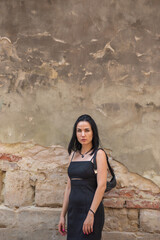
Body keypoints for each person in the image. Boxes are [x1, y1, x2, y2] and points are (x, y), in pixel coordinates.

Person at [58, 114, 107, 240]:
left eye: (87, 130)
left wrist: (91, 214)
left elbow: (102, 186)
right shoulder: (73, 155)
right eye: (79, 131)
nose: (83, 134)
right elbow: (69, 188)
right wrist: (62, 215)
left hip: (91, 211)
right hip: (73, 213)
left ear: (93, 132)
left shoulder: (99, 154)